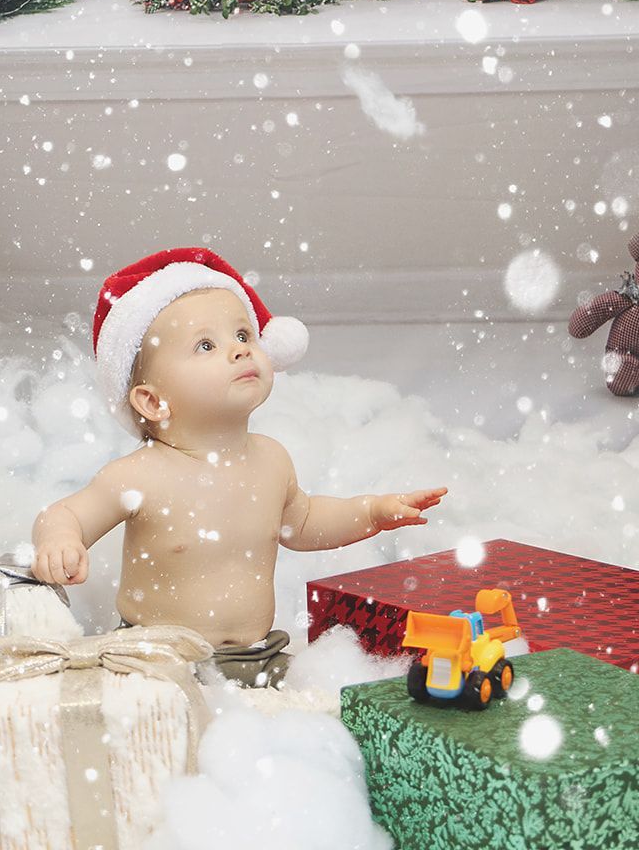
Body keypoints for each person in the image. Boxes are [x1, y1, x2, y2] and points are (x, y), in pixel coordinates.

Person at [33, 247, 447, 688]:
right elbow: (65, 513)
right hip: (159, 659)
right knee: (149, 712)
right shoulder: (139, 475)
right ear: (153, 401)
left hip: (259, 655)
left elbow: (305, 523)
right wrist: (60, 541)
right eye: (206, 345)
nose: (239, 351)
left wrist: (371, 512)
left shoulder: (271, 460)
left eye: (244, 335)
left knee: (322, 696)